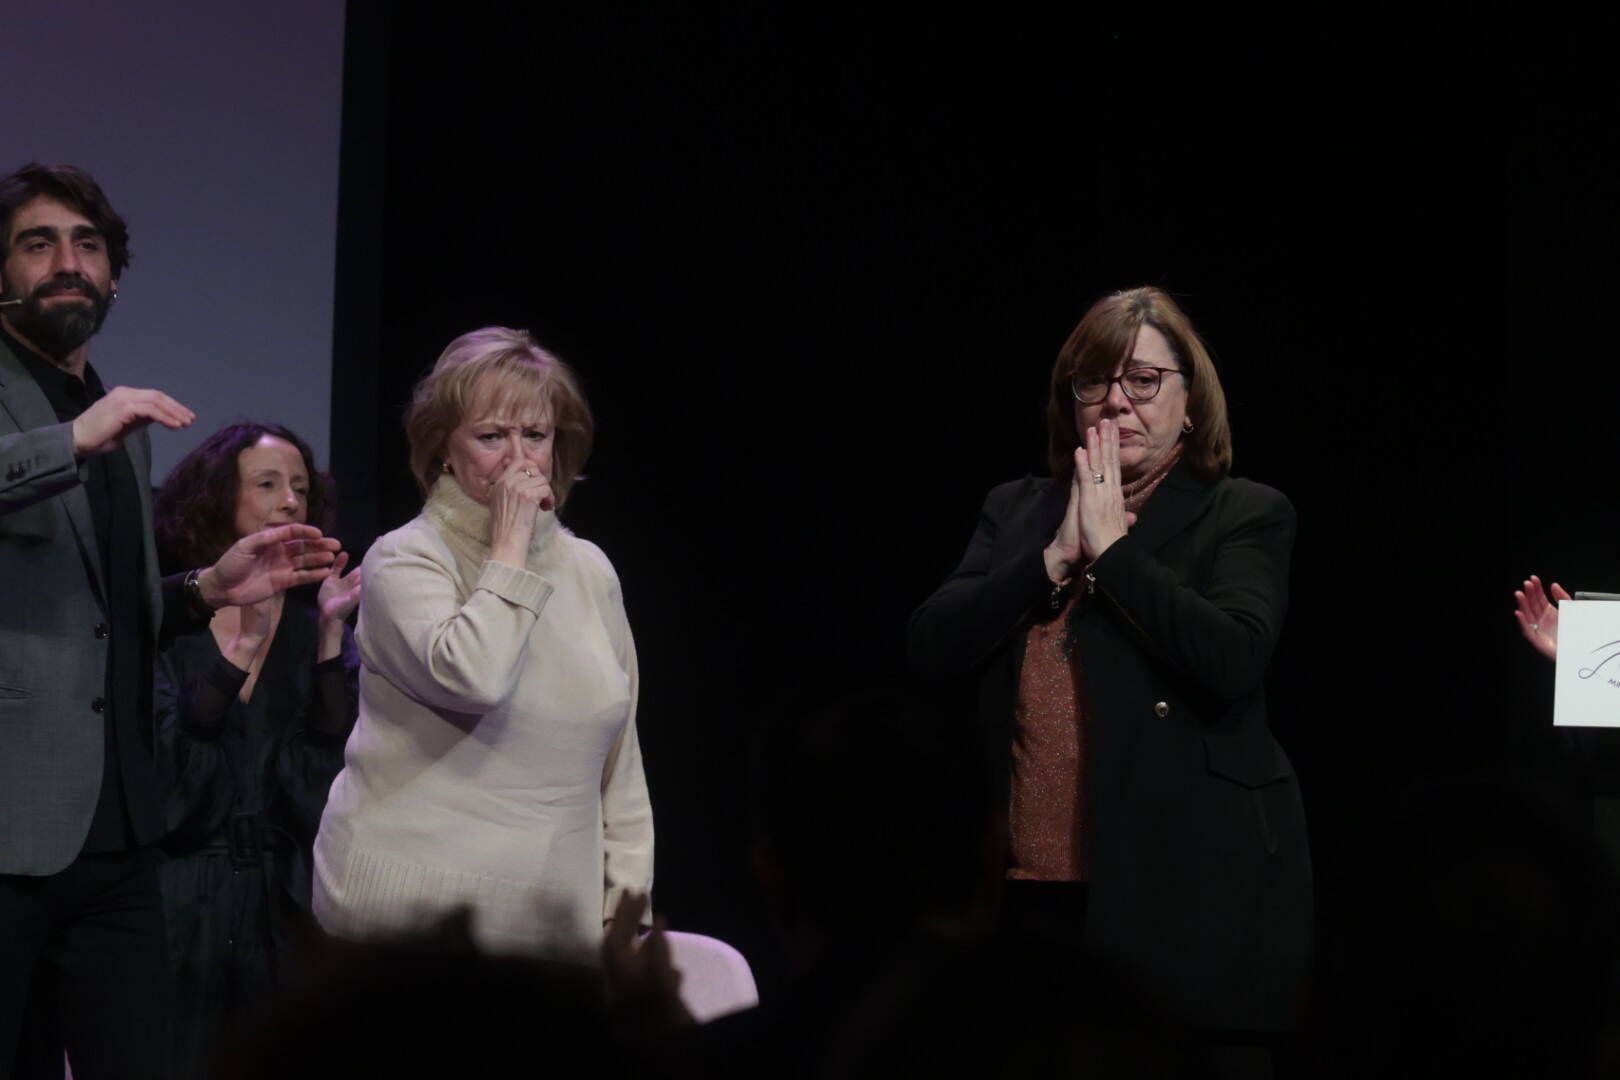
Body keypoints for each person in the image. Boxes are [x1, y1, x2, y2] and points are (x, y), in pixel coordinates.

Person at [908, 287, 1311, 1064]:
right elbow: (930, 646)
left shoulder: (1244, 513)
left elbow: (1231, 658)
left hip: (1181, 887)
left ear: (1190, 402)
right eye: (1094, 382)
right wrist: (1054, 557)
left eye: (1143, 381)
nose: (1116, 402)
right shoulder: (1019, 510)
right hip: (1027, 892)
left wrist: (1115, 555)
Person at [0, 162, 337, 1079]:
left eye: (88, 245)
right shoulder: (83, 421)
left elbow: (110, 612)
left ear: (113, 276)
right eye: (39, 243)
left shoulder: (116, 415)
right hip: (8, 830)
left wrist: (203, 589)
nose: (67, 263)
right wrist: (70, 439)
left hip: (117, 834)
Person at [313, 326, 651, 955]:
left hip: (551, 927)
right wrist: (511, 549)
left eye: (536, 436)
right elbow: (475, 678)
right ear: (445, 448)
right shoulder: (405, 560)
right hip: (409, 922)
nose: (519, 460)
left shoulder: (591, 570)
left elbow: (620, 763)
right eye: (492, 436)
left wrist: (628, 912)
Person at [151, 421, 362, 1080]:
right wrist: (241, 647)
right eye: (268, 483)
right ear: (220, 497)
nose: (291, 501)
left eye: (301, 487)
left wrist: (331, 640)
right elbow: (171, 793)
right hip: (178, 912)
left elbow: (320, 798)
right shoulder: (167, 622)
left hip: (283, 911)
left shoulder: (313, 632)